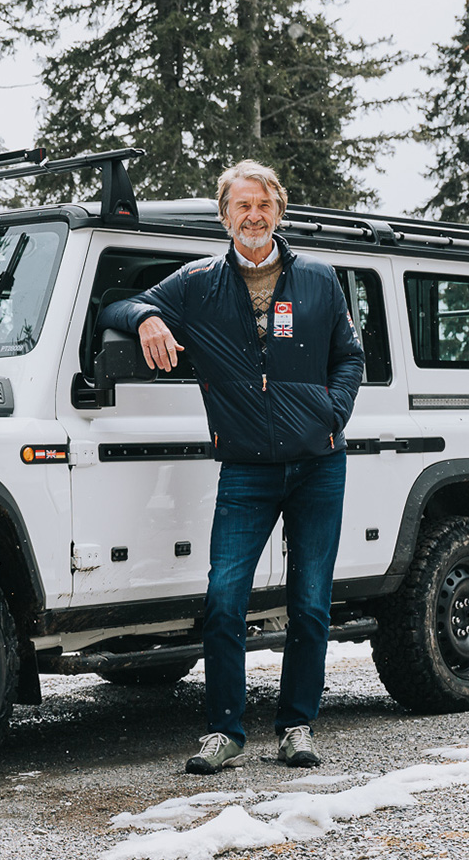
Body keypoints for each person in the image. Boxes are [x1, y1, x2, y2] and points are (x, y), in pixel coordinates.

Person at [100, 160, 363, 772]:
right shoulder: (197, 283)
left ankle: (297, 725)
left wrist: (332, 413)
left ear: (280, 210)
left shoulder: (321, 280)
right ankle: (225, 730)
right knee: (223, 599)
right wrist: (149, 319)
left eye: (263, 204)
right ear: (224, 216)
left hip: (319, 465)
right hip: (246, 469)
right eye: (241, 206)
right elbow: (118, 306)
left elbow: (349, 358)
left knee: (311, 603)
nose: (253, 215)